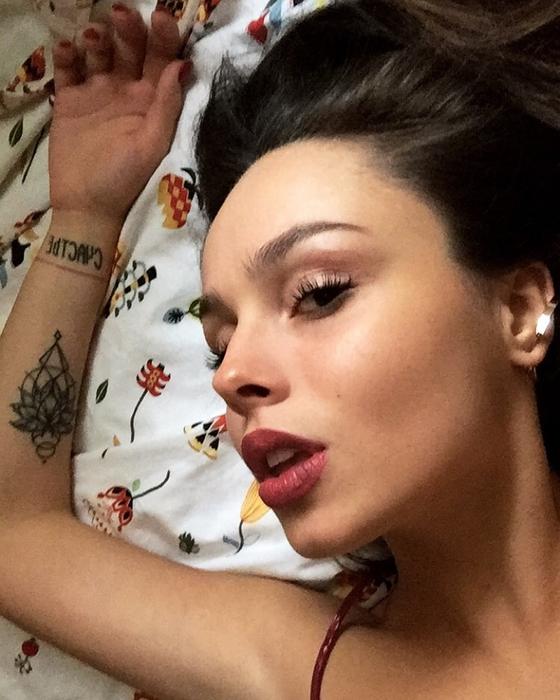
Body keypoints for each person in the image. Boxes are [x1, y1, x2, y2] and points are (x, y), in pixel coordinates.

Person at [1, 0, 559, 697]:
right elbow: (13, 530)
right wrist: (84, 216)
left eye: (319, 294)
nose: (231, 376)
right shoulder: (302, 671)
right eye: (220, 343)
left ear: (519, 310)